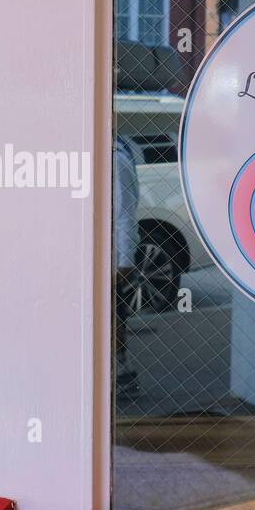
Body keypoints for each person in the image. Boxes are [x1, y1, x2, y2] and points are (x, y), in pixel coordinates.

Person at [113, 134, 142, 399]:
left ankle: (121, 370)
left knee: (113, 314)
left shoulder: (115, 160)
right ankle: (119, 370)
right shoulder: (116, 152)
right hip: (99, 254)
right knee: (113, 313)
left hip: (108, 256)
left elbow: (125, 214)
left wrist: (124, 261)